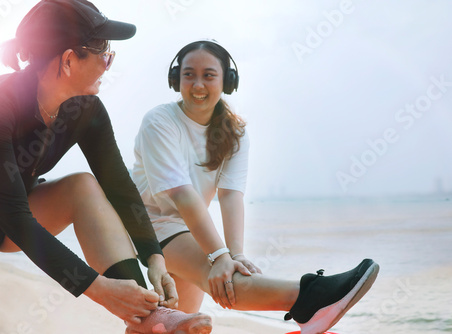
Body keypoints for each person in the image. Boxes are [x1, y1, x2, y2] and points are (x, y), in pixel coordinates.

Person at [0, 1, 213, 333]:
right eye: (104, 54)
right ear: (69, 59)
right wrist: (98, 289)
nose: (108, 64)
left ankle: (148, 315)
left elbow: (118, 186)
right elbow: (13, 217)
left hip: (10, 215)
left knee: (82, 186)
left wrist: (155, 258)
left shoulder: (84, 109)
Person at [132, 39, 380, 333]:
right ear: (176, 79)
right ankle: (310, 297)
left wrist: (235, 255)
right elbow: (181, 194)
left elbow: (230, 196)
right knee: (223, 280)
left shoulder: (234, 132)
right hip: (147, 223)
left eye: (209, 75)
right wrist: (219, 256)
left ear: (227, 81)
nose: (198, 84)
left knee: (175, 323)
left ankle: (311, 305)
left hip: (187, 226)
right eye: (188, 74)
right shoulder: (159, 121)